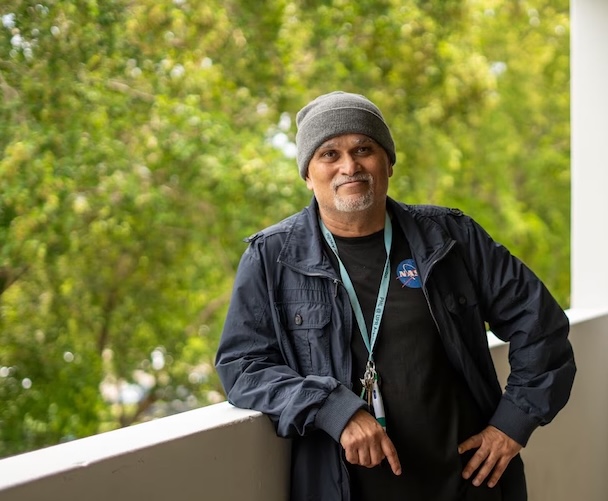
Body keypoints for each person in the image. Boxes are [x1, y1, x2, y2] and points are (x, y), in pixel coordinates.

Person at [215, 91, 576, 501]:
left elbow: (541, 327)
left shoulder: (452, 237)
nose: (349, 166)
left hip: (468, 486)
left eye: (363, 149)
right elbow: (242, 367)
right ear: (307, 173)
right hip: (345, 490)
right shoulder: (272, 257)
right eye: (329, 154)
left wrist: (513, 423)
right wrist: (333, 407)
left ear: (388, 161)